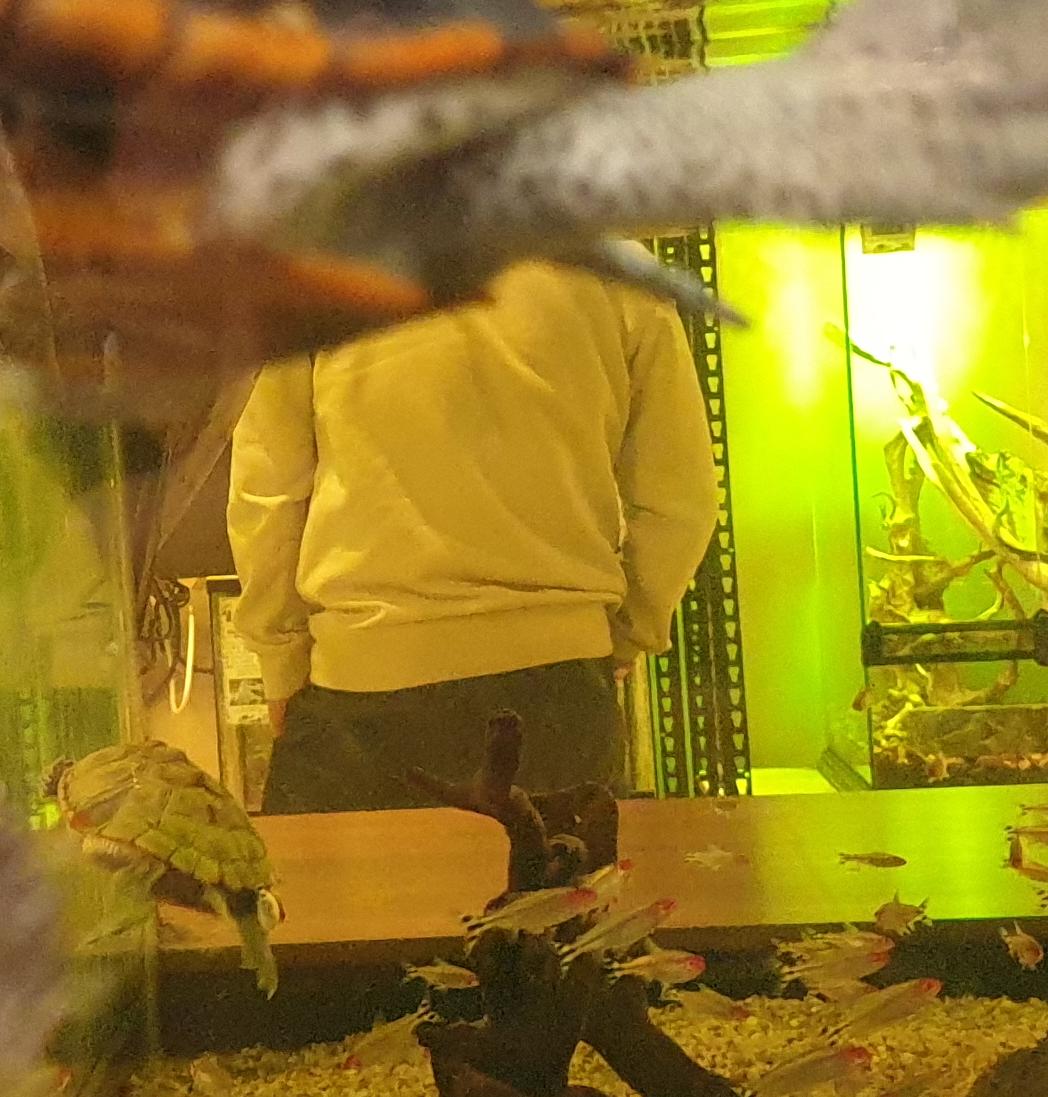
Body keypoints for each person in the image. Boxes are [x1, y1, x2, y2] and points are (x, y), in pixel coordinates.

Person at [229, 258, 720, 813]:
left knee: (329, 875)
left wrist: (281, 662)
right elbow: (679, 502)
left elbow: (267, 492)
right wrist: (625, 633)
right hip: (561, 694)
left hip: (363, 688)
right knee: (555, 871)